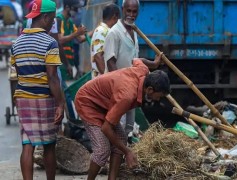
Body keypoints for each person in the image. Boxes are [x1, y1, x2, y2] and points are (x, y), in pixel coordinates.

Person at [74, 55, 169, 180]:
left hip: (105, 104)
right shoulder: (127, 96)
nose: (158, 99)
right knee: (102, 150)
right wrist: (127, 152)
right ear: (150, 90)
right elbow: (106, 128)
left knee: (121, 138)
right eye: (159, 96)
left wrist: (154, 63)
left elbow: (136, 59)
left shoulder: (143, 70)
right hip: (87, 102)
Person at [10, 0, 64, 179]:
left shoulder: (16, 43)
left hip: (23, 98)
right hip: (43, 99)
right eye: (52, 19)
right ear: (46, 17)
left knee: (27, 143)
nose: (53, 23)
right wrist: (60, 104)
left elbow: (19, 74)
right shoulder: (50, 43)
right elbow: (52, 77)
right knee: (48, 145)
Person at [104, 0, 140, 136]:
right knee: (118, 128)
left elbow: (134, 60)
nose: (131, 15)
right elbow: (110, 62)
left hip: (131, 89)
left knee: (128, 129)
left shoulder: (134, 31)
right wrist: (122, 86)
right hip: (118, 90)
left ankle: (124, 155)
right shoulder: (114, 33)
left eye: (134, 11)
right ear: (122, 9)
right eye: (128, 11)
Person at [56, 0, 91, 80]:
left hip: (68, 63)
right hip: (60, 63)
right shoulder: (59, 19)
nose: (77, 11)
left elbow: (80, 39)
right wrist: (77, 33)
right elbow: (60, 40)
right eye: (75, 8)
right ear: (67, 7)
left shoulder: (70, 22)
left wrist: (95, 31)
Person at [91, 3, 120, 78]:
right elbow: (98, 56)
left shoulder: (107, 30)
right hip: (101, 81)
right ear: (115, 17)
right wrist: (106, 78)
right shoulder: (102, 31)